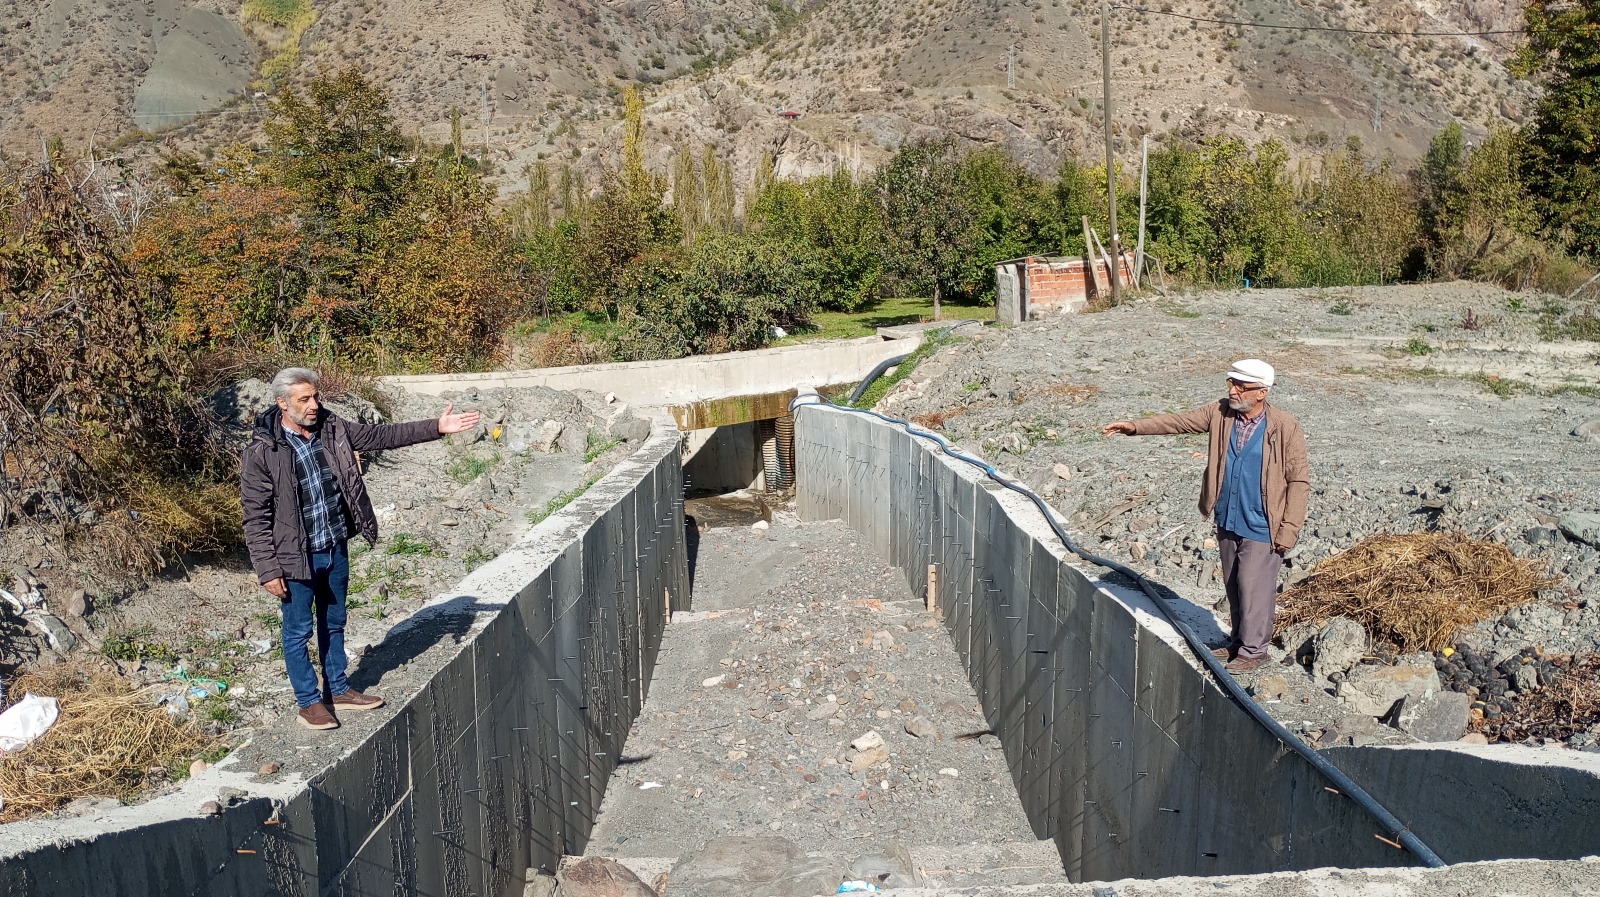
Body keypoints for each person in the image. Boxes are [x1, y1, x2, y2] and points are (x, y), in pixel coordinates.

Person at [242, 367, 481, 730]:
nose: (314, 405)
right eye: (304, 399)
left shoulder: (332, 427)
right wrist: (267, 568)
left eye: (316, 396)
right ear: (282, 403)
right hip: (295, 557)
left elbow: (381, 435)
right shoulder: (264, 451)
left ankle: (338, 688)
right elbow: (255, 516)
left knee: (335, 621)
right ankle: (309, 701)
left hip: (335, 546)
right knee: (298, 632)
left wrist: (436, 427)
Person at [1101, 359, 1310, 673]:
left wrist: (1289, 528)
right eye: (1231, 383)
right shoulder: (1221, 413)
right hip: (1229, 516)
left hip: (1264, 524)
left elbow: (1299, 480)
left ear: (1262, 392)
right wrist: (1134, 427)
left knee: (1254, 586)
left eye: (1241, 386)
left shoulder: (1284, 425)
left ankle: (1254, 651)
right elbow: (1179, 422)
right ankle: (1238, 643)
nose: (1233, 390)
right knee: (1233, 585)